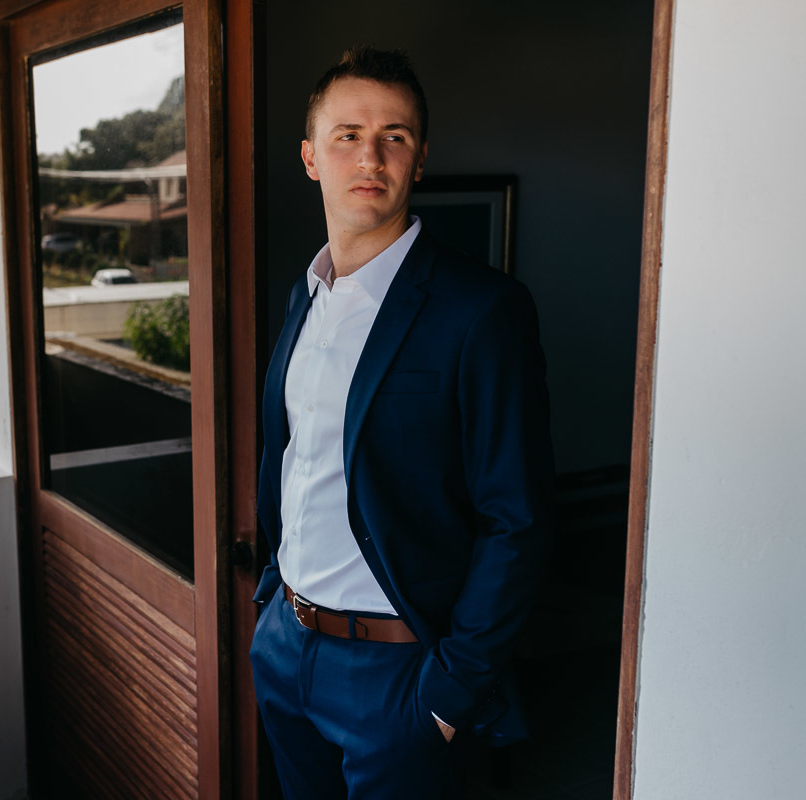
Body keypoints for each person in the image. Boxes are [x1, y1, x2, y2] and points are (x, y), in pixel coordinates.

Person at [249, 46, 553, 799]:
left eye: (396, 136)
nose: (371, 155)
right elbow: (296, 460)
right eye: (347, 134)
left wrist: (452, 692)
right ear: (311, 157)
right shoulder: (306, 295)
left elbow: (517, 518)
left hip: (399, 673)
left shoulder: (481, 310)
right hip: (286, 648)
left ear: (419, 160)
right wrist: (270, 601)